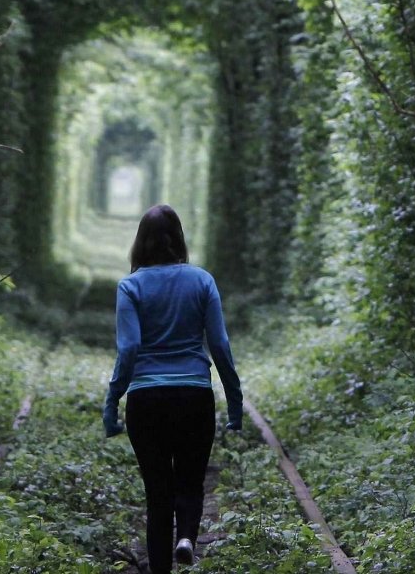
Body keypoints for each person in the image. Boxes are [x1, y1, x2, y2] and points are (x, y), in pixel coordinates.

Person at [101, 204, 242, 571]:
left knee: (157, 493)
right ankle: (187, 538)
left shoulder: (130, 286)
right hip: (194, 395)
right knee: (191, 481)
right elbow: (220, 345)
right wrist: (235, 397)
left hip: (146, 400)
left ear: (140, 244)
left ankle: (161, 567)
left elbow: (129, 348)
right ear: (179, 239)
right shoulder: (202, 281)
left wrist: (113, 399)